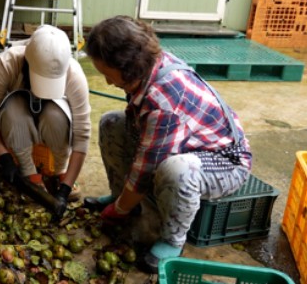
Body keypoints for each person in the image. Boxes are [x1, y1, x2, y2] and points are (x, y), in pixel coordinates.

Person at [83, 16, 252, 273]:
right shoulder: (146, 66)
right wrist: (122, 202)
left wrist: (119, 210)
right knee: (111, 123)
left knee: (175, 169)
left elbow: (145, 171)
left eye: (108, 74)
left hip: (223, 161)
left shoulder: (164, 102)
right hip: (185, 141)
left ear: (128, 67)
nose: (107, 82)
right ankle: (120, 197)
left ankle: (172, 239)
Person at [0, 25, 91, 218]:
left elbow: (82, 135)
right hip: (19, 119)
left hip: (52, 121)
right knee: (12, 110)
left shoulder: (75, 74)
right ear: (28, 62)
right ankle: (30, 173)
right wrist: (4, 156)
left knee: (56, 114)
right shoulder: (7, 63)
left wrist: (65, 189)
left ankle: (61, 171)